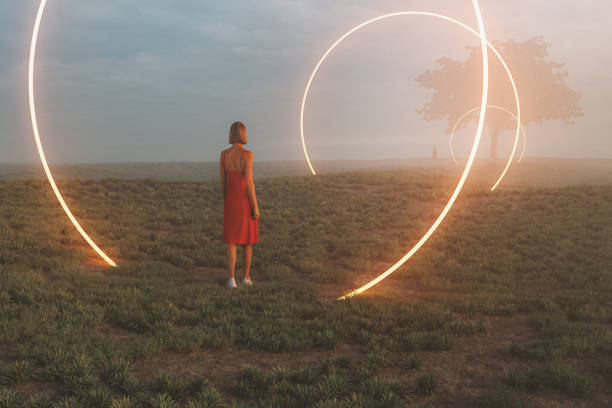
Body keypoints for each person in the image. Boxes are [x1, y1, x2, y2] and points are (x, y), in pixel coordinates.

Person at [220, 121, 260, 288]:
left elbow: (223, 181)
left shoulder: (224, 154)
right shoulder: (248, 155)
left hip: (230, 200)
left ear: (231, 134)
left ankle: (231, 279)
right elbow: (249, 183)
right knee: (247, 241)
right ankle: (245, 277)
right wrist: (255, 207)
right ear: (243, 134)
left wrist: (226, 199)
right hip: (244, 201)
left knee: (231, 241)